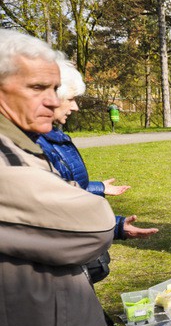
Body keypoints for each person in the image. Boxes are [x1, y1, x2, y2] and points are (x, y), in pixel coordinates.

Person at [0, 29, 118, 326]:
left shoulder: (22, 144)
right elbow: (92, 221)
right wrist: (99, 214)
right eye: (37, 88)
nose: (53, 100)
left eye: (55, 88)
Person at [37, 59, 158, 242]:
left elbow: (67, 189)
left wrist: (99, 187)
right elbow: (57, 208)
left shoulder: (54, 138)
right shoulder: (34, 146)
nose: (75, 107)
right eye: (70, 99)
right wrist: (115, 227)